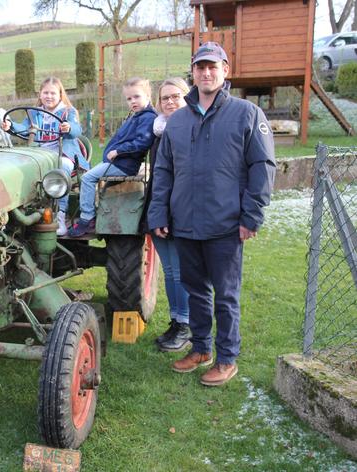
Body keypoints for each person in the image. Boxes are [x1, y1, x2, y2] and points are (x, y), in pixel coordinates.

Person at [147, 42, 276, 386]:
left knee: (226, 294)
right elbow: (163, 171)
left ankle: (227, 357)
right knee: (196, 292)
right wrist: (158, 213)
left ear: (225, 70)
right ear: (193, 72)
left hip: (226, 225)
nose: (206, 72)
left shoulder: (246, 114)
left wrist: (252, 217)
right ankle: (201, 348)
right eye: (200, 66)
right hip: (185, 223)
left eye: (212, 66)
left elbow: (262, 167)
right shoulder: (177, 122)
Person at [67, 77, 157, 238]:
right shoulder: (137, 115)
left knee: (87, 178)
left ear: (148, 96)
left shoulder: (147, 118)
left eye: (137, 96)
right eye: (129, 99)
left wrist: (119, 151)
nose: (132, 101)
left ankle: (87, 218)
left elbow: (142, 142)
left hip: (124, 164)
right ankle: (91, 212)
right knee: (90, 176)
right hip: (119, 162)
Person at [1, 77, 89, 236]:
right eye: (45, 92)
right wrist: (11, 126)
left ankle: (60, 215)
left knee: (60, 168)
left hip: (64, 155)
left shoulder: (67, 112)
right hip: (41, 155)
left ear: (60, 94)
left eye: (53, 93)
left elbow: (77, 130)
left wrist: (69, 128)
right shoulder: (35, 113)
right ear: (40, 94)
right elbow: (25, 128)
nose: (49, 96)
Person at [144, 77, 192, 352]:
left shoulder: (191, 128)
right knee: (172, 271)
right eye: (165, 98)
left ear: (187, 97)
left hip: (180, 209)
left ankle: (186, 325)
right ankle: (176, 321)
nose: (171, 102)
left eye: (176, 96)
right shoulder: (158, 130)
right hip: (158, 207)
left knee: (183, 271)